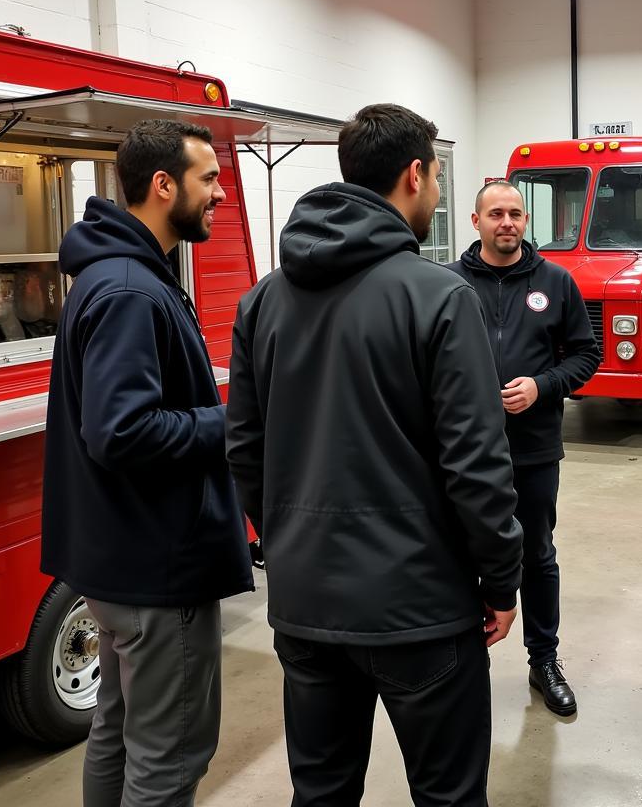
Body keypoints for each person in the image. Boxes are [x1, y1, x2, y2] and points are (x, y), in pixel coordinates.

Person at [225, 104, 524, 807]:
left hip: (305, 605)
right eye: (440, 180)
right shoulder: (441, 296)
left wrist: (287, 538)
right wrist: (501, 581)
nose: (440, 197)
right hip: (421, 609)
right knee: (448, 796)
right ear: (415, 175)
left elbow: (244, 447)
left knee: (321, 792)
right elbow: (476, 466)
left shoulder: (261, 301)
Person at [41, 119, 253, 807]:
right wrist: (238, 422)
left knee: (119, 729)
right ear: (163, 185)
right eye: (209, 178)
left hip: (118, 558)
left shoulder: (116, 275)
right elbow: (121, 432)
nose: (219, 194)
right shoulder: (131, 289)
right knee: (170, 757)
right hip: (158, 565)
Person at [447, 181, 600, 716]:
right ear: (476, 221)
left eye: (515, 213)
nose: (507, 222)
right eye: (496, 214)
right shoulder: (449, 283)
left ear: (525, 220)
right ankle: (463, 660)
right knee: (462, 550)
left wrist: (542, 386)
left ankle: (544, 659)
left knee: (536, 552)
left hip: (533, 449)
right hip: (463, 451)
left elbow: (586, 355)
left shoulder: (555, 282)